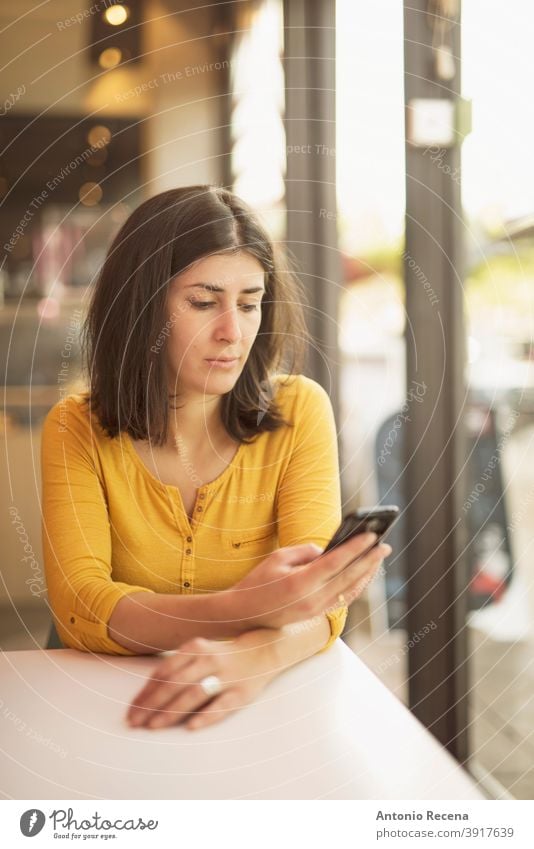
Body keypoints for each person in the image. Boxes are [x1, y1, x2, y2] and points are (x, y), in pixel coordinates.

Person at [41, 185, 391, 732]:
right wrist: (243, 609)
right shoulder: (75, 426)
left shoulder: (300, 410)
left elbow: (321, 604)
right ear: (139, 308)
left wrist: (252, 658)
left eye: (249, 303)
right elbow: (81, 607)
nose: (232, 331)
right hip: (98, 711)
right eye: (204, 302)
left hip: (262, 714)